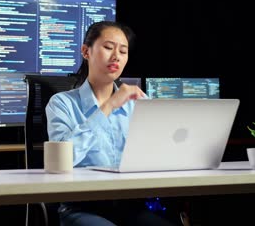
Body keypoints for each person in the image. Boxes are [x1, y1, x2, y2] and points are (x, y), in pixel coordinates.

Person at [45, 21, 182, 226]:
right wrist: (109, 106)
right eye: (108, 47)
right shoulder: (61, 103)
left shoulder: (138, 104)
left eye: (123, 51)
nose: (116, 56)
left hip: (131, 207)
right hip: (81, 207)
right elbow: (64, 159)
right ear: (86, 51)